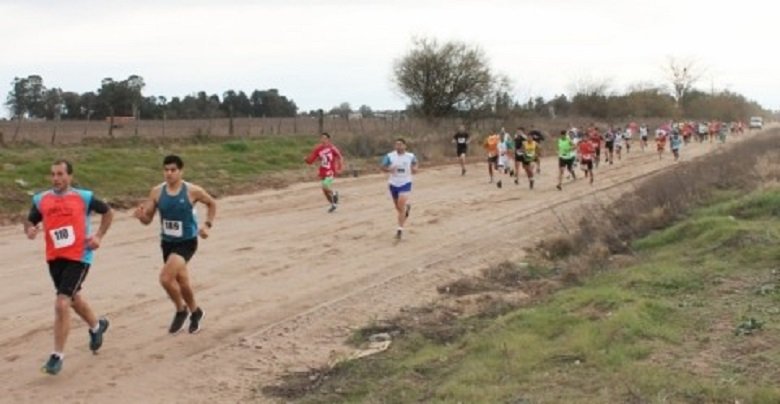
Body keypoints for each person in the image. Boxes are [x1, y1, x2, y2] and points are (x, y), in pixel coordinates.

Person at [24, 159, 113, 375]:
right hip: (55, 258)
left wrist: (98, 236)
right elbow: (30, 221)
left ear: (70, 176)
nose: (56, 179)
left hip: (79, 256)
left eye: (61, 174)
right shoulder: (41, 199)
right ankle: (96, 326)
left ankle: (57, 356)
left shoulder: (84, 197)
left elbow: (108, 212)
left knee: (62, 303)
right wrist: (30, 230)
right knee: (74, 299)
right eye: (53, 174)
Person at [133, 155, 216, 335]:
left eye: (173, 170)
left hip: (186, 242)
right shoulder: (156, 192)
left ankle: (180, 309)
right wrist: (141, 216)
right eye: (166, 170)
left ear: (180, 171)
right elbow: (147, 220)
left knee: (165, 278)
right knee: (183, 282)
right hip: (167, 243)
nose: (169, 173)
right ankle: (196, 312)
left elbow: (212, 203)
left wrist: (207, 225)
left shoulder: (192, 191)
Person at [381, 138, 418, 240]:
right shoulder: (389, 156)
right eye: (396, 145)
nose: (398, 146)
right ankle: (406, 208)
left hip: (405, 182)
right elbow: (382, 166)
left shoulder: (410, 156)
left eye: (401, 145)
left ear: (405, 146)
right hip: (393, 183)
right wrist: (389, 169)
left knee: (400, 205)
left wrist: (415, 168)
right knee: (398, 207)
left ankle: (400, 229)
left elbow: (415, 163)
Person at [304, 132, 344, 213]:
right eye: (322, 138)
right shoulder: (318, 149)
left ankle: (334, 193)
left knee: (325, 185)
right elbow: (311, 160)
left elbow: (340, 157)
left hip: (331, 170)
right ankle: (333, 204)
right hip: (323, 170)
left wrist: (340, 168)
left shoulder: (332, 148)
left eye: (325, 138)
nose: (323, 139)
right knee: (325, 191)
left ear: (328, 139)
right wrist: (306, 160)